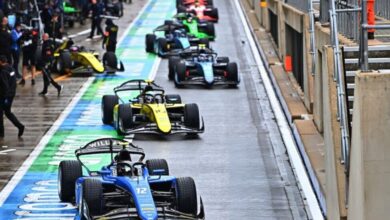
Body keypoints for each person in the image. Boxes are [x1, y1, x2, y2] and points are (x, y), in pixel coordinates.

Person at [0, 55, 24, 139]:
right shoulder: (11, 69)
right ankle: (20, 126)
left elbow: (4, 85)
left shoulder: (3, 71)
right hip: (11, 94)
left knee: (1, 113)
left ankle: (1, 133)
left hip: (4, 96)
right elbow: (13, 82)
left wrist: (5, 97)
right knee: (8, 113)